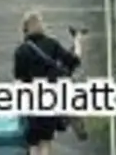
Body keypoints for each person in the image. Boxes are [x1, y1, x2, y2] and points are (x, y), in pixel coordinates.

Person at [12, 10, 87, 154]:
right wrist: (78, 41)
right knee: (46, 140)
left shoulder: (21, 51)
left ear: (24, 29)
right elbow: (73, 62)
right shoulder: (51, 44)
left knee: (33, 143)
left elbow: (19, 79)